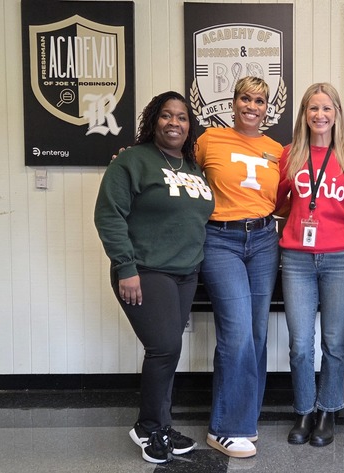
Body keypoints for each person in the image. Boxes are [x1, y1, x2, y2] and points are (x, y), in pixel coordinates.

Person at [93, 91, 214, 464]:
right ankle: (150, 427)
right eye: (166, 115)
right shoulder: (132, 160)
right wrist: (125, 268)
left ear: (189, 125)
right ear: (154, 120)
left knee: (167, 350)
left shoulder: (194, 167)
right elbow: (109, 215)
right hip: (145, 270)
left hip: (184, 274)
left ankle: (157, 422)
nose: (174, 123)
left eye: (181, 117)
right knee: (164, 348)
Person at [197, 76, 283, 458]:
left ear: (268, 107)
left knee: (257, 333)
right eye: (245, 98)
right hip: (220, 240)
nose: (252, 106)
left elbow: (284, 199)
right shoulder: (208, 140)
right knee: (236, 333)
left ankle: (244, 418)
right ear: (233, 103)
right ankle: (225, 428)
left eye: (260, 100)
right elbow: (172, 168)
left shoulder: (277, 149)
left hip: (265, 239)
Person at [276, 83, 344, 447]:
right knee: (299, 343)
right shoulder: (289, 155)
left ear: (337, 114)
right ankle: (303, 411)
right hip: (296, 257)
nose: (320, 115)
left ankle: (328, 410)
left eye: (327, 108)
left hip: (341, 258)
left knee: (333, 341)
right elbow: (279, 202)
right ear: (304, 114)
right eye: (313, 109)